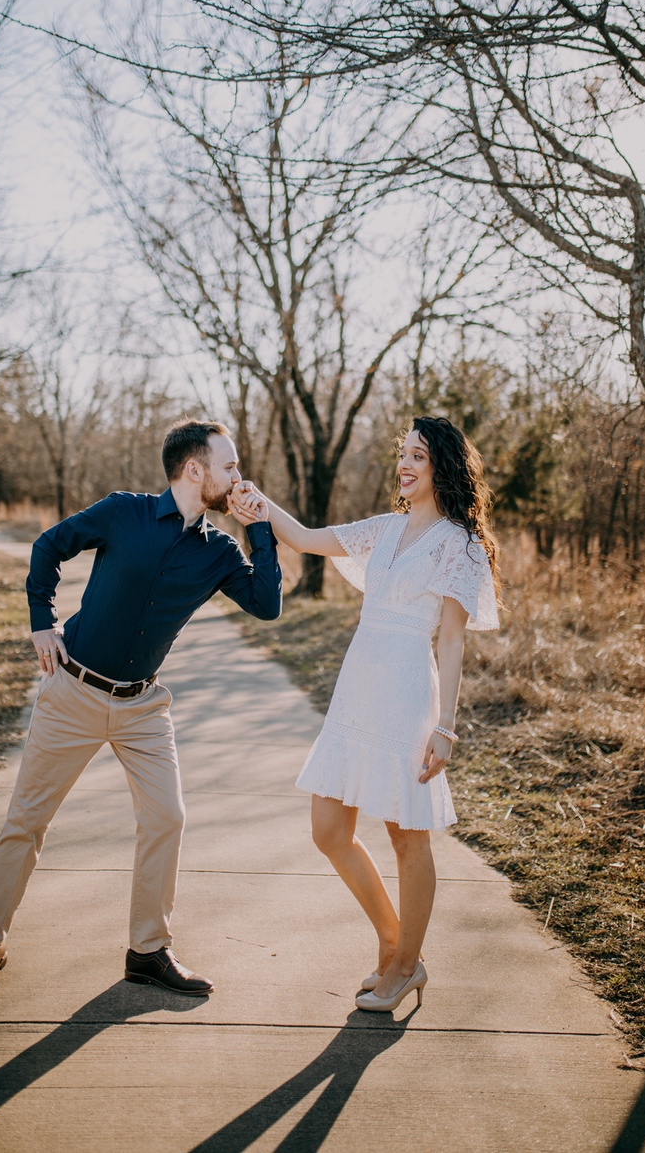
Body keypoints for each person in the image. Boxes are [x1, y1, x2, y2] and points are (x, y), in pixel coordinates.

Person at [0, 419, 281, 1002]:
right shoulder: (122, 512)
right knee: (25, 822)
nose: (240, 477)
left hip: (143, 709)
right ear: (194, 469)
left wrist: (260, 530)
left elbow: (267, 605)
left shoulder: (220, 551)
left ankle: (147, 952)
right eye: (230, 466)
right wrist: (41, 621)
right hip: (73, 693)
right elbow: (48, 546)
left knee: (166, 818)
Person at [232, 415, 499, 1013]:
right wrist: (257, 501)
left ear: (443, 466)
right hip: (357, 689)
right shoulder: (386, 527)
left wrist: (446, 726)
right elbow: (305, 537)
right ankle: (392, 939)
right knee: (328, 830)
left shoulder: (460, 545)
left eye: (418, 456)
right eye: (403, 453)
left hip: (408, 696)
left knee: (406, 837)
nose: (404, 464)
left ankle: (405, 966)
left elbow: (451, 640)